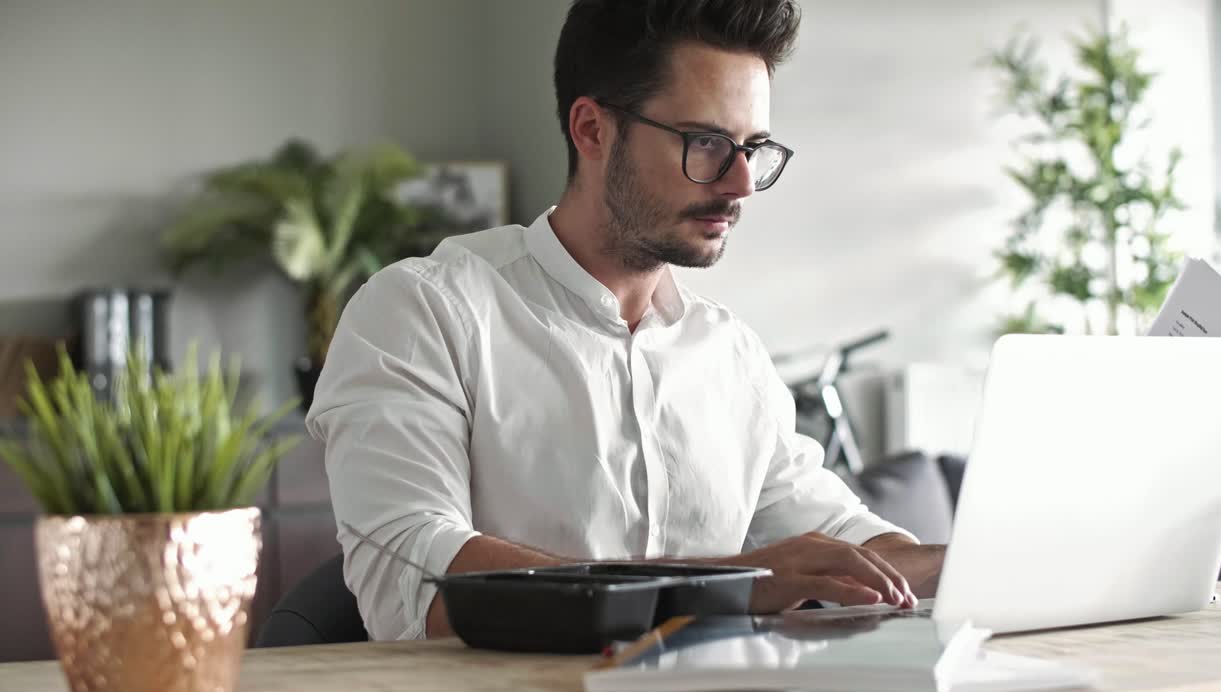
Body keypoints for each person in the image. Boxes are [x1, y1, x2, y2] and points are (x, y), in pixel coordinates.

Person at [308, 0, 945, 642]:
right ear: (591, 130)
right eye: (708, 144)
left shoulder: (729, 355)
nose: (743, 182)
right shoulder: (423, 312)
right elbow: (418, 591)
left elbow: (848, 548)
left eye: (753, 148)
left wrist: (987, 563)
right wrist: (742, 583)